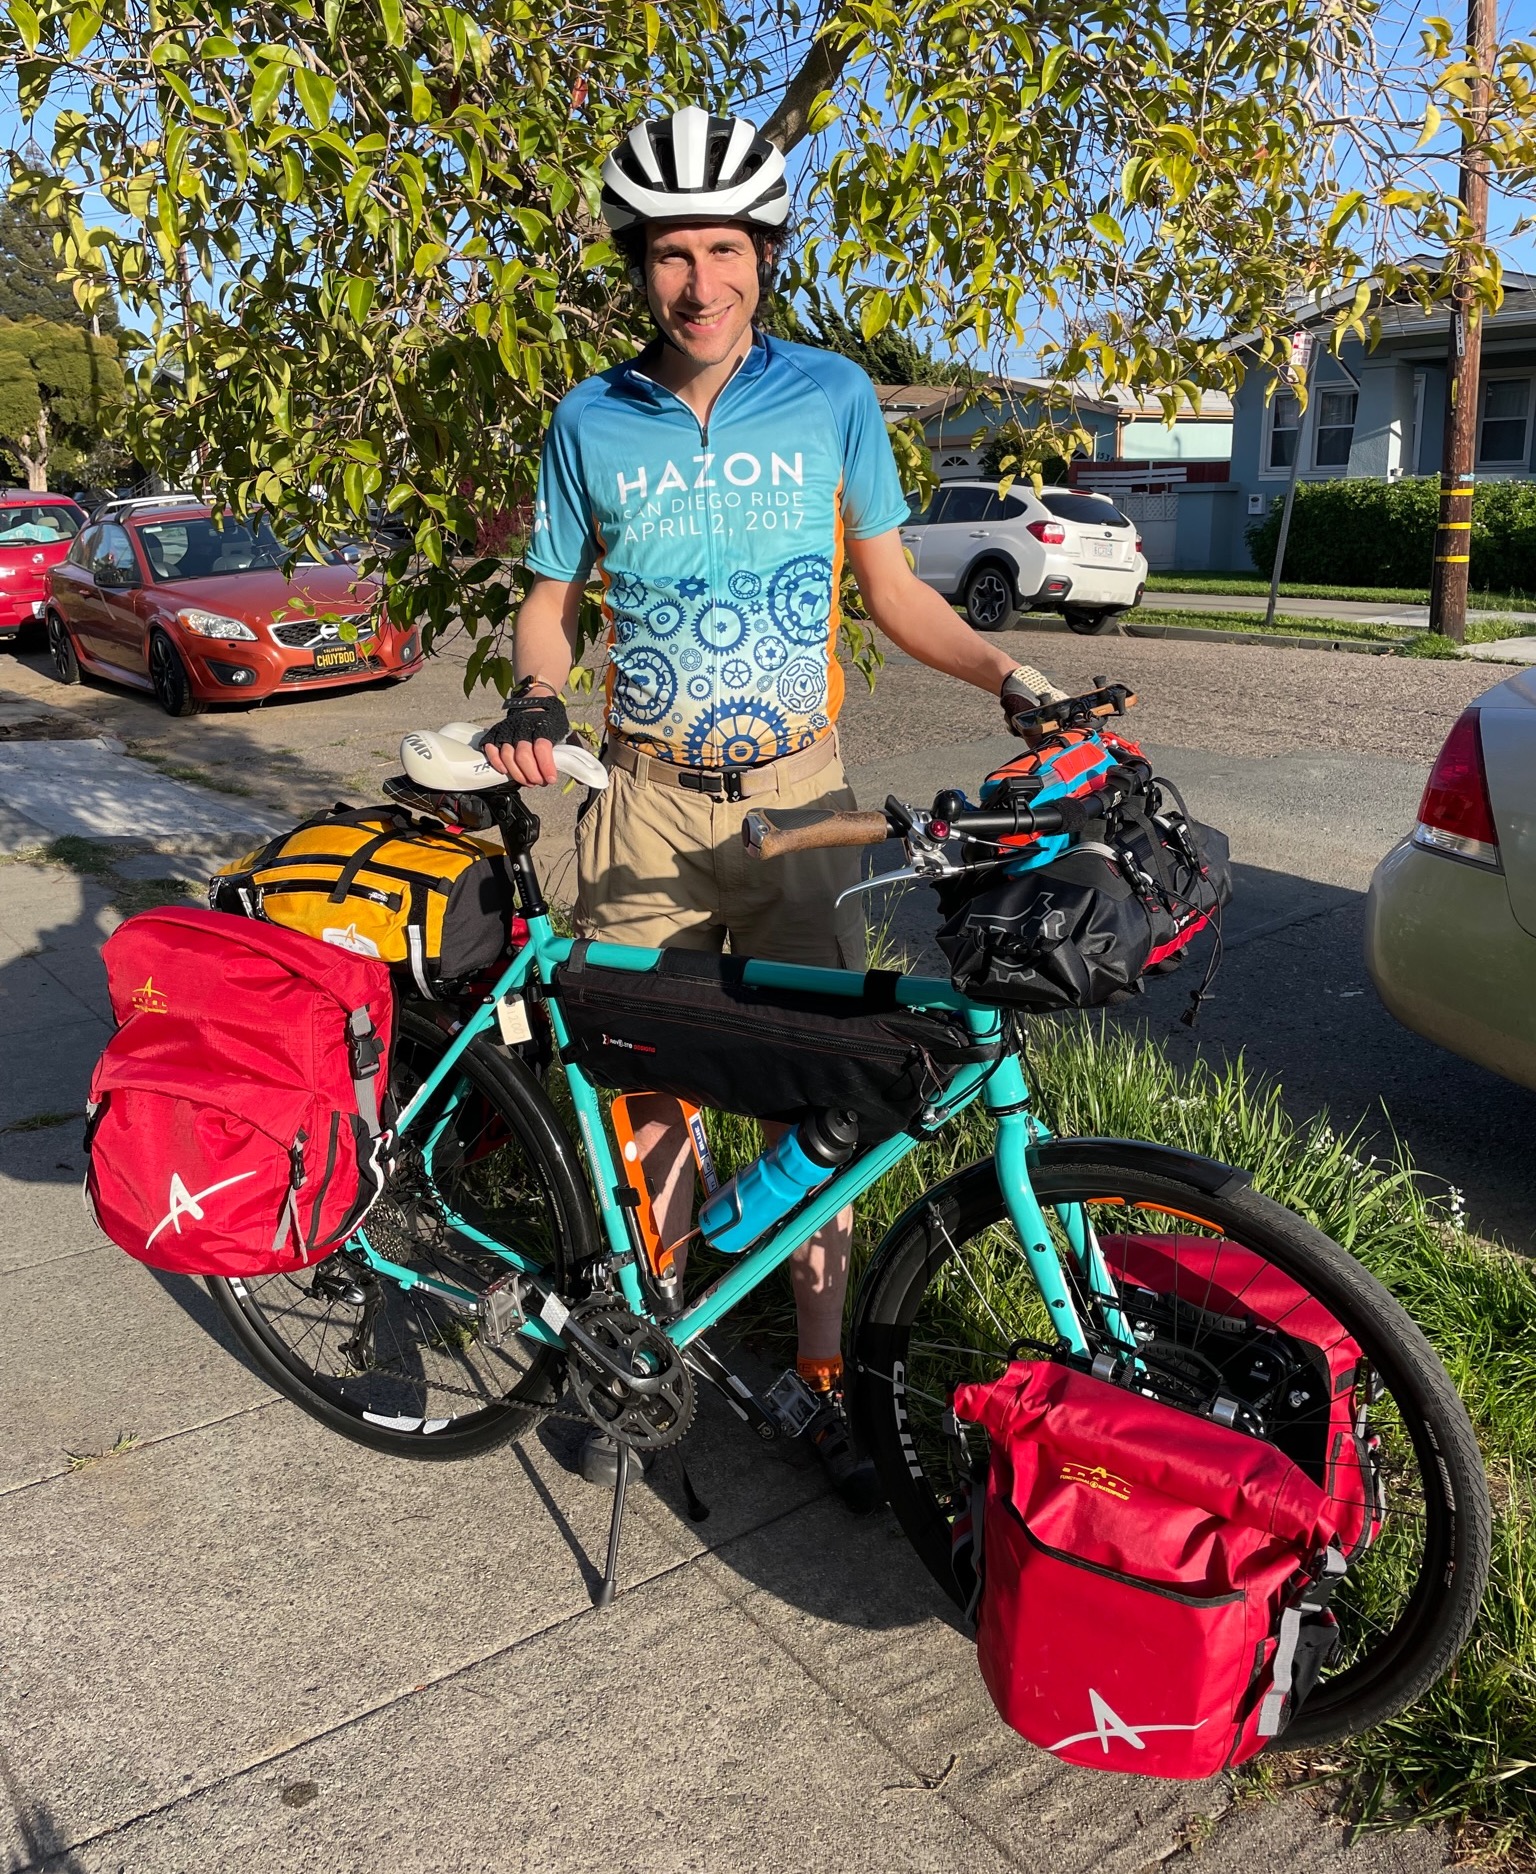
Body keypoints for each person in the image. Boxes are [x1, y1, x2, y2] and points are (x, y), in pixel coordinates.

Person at [482, 104, 1066, 1502]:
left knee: (826, 1108)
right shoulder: (590, 418)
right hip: (643, 803)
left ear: (763, 254)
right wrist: (536, 695)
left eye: (725, 250)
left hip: (807, 809)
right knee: (652, 1100)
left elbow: (896, 590)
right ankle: (648, 1348)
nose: (701, 283)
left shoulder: (833, 397)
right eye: (671, 254)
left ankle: (817, 1381)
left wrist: (1011, 674)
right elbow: (550, 603)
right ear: (639, 265)